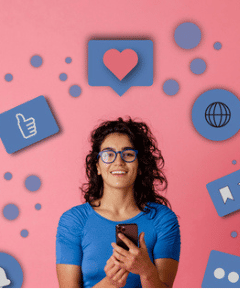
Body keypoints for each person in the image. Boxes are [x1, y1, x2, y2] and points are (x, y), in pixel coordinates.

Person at [55, 117, 181, 288]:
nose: (118, 161)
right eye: (108, 154)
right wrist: (110, 283)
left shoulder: (163, 219)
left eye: (128, 154)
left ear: (140, 165)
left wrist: (147, 272)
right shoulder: (73, 220)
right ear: (97, 166)